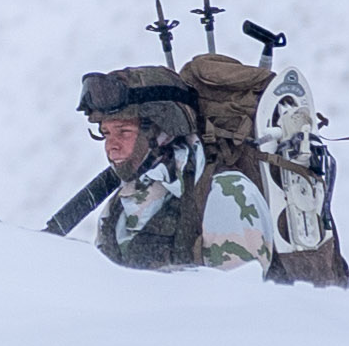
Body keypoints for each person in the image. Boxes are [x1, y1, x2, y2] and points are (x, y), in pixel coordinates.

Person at [74, 64, 277, 271]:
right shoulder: (119, 205)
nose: (111, 145)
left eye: (124, 132)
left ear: (162, 132)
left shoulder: (226, 195)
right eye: (106, 133)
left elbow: (241, 297)